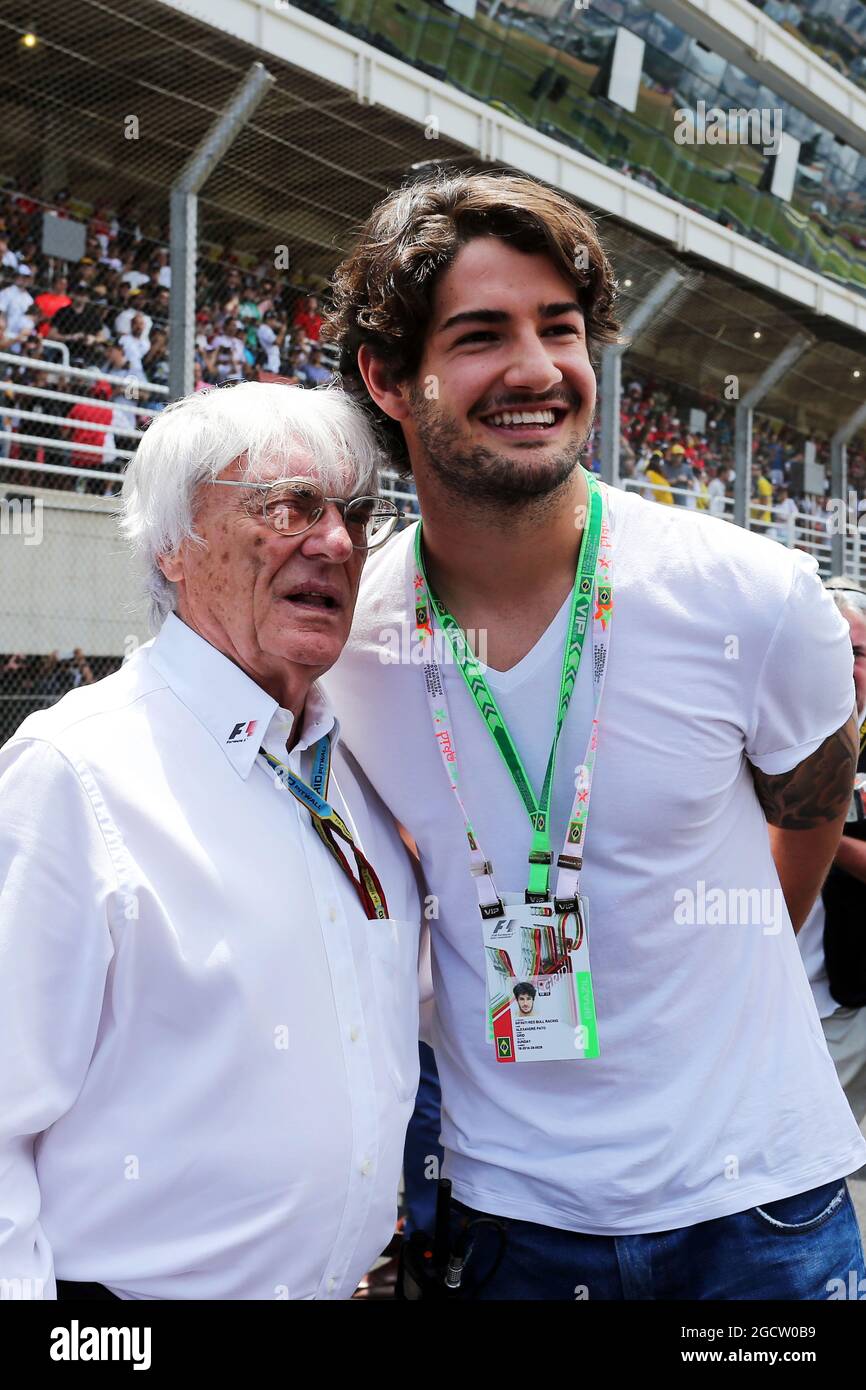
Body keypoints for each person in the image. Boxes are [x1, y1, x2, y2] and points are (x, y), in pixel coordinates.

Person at [322, 167, 866, 1300]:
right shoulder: (348, 639)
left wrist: (714, 971)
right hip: (509, 1218)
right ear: (386, 375)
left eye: (558, 329)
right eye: (479, 335)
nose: (535, 369)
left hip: (756, 1208)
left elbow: (807, 812)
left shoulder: (751, 599)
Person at [0, 381, 421, 1301]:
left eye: (354, 512)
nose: (339, 543)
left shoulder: (354, 766)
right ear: (173, 547)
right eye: (288, 507)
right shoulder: (74, 774)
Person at [798, 578, 866, 1137]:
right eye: (834, 650)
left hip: (846, 997)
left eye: (859, 653)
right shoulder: (769, 729)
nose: (846, 666)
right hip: (783, 995)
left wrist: (814, 829)